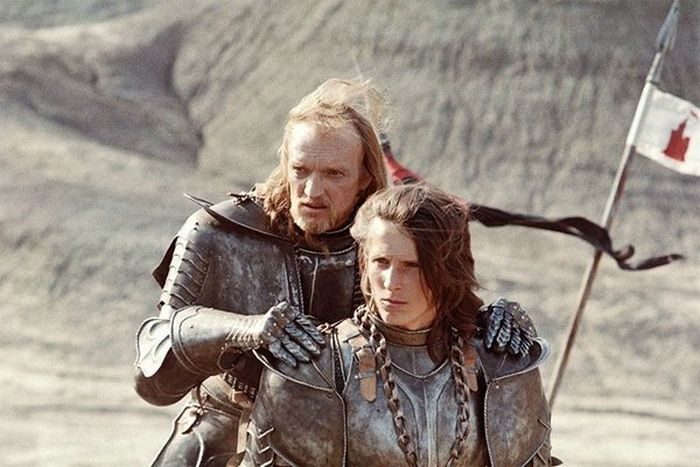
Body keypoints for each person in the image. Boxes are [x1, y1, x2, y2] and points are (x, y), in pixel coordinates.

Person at [133, 79, 538, 467]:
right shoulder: (219, 233)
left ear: (365, 176)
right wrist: (248, 330)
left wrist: (494, 321)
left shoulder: (386, 240)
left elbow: (437, 317)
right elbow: (151, 376)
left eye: (333, 174)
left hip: (349, 432)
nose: (312, 191)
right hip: (226, 425)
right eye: (301, 170)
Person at [242, 183, 554, 467]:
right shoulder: (314, 367)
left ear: (447, 271)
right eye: (381, 262)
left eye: (412, 266)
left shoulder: (501, 365)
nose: (392, 283)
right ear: (364, 262)